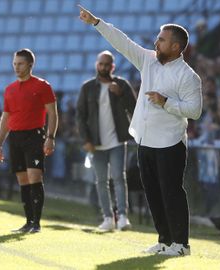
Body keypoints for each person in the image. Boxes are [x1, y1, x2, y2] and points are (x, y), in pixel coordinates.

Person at [79, 6, 202, 256]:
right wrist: (97, 23)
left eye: (162, 40)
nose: (156, 42)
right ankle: (165, 241)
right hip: (145, 140)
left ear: (176, 47)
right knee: (154, 194)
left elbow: (195, 111)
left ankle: (182, 245)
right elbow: (123, 43)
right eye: (158, 38)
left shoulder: (188, 76)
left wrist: (166, 102)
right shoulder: (148, 60)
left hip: (170, 143)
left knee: (172, 193)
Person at [0, 49, 58, 233]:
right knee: (22, 179)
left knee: (34, 176)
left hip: (34, 136)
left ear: (30, 65)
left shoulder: (42, 86)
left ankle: (36, 223)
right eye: (14, 64)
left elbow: (53, 114)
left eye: (20, 64)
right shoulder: (9, 90)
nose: (16, 67)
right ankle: (28, 221)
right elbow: (5, 119)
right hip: (15, 137)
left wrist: (50, 137)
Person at [76, 50, 136, 231]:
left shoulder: (122, 84)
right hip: (96, 142)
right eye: (100, 64)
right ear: (97, 65)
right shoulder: (87, 88)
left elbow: (134, 108)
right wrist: (85, 139)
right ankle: (108, 218)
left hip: (117, 140)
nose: (103, 67)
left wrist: (121, 94)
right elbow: (80, 116)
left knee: (119, 178)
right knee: (101, 181)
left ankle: (123, 217)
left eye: (106, 64)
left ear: (113, 67)